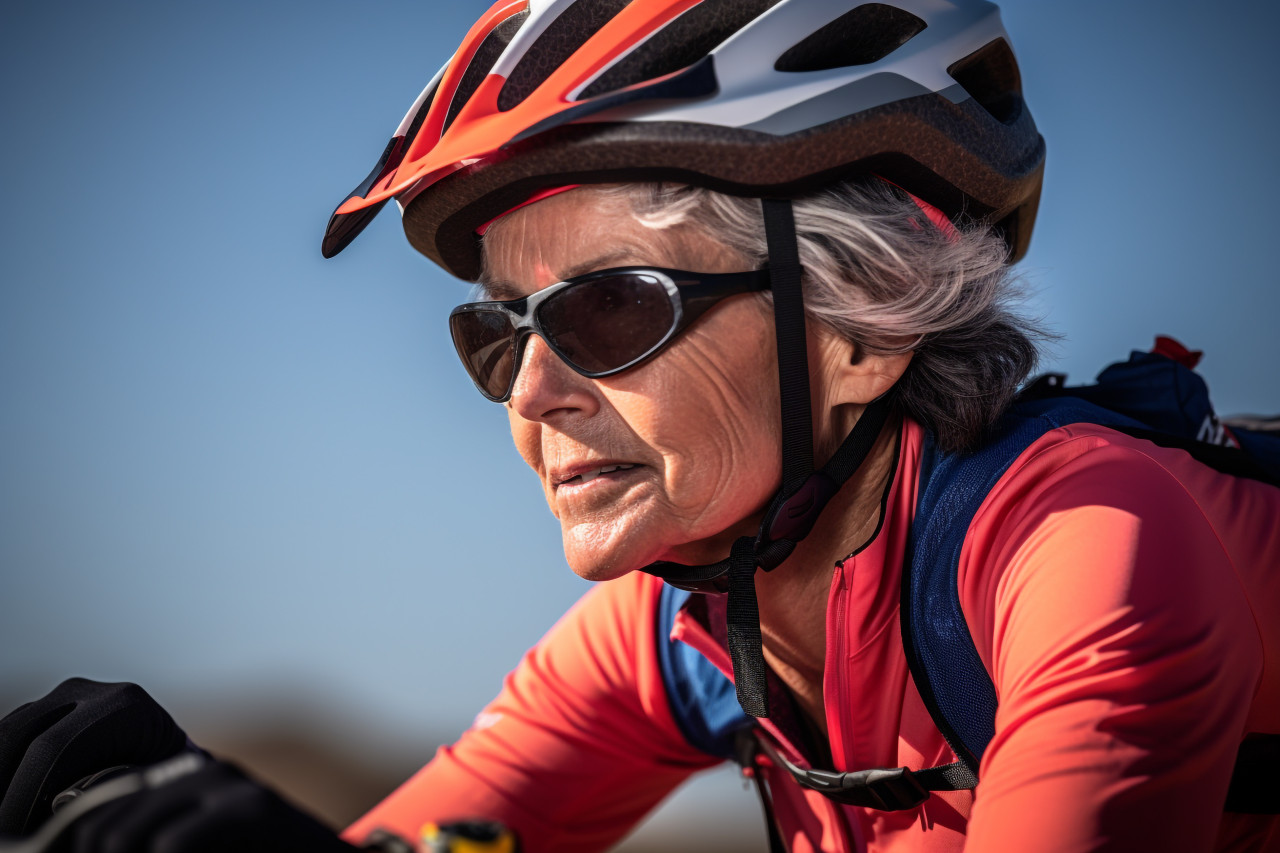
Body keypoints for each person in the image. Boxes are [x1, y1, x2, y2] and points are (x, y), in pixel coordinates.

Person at [2, 1, 1279, 851]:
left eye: (613, 307)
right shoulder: (682, 629)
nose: (528, 390)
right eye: (498, 332)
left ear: (860, 328)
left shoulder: (1090, 547)